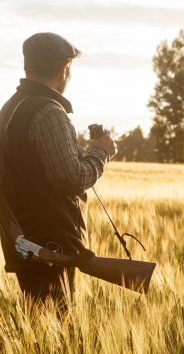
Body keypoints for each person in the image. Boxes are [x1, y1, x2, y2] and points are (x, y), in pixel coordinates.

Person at [0, 32, 117, 306]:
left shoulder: (9, 109)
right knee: (58, 331)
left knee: (41, 328)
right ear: (65, 68)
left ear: (27, 65)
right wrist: (101, 152)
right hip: (51, 248)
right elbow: (71, 179)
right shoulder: (50, 112)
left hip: (23, 242)